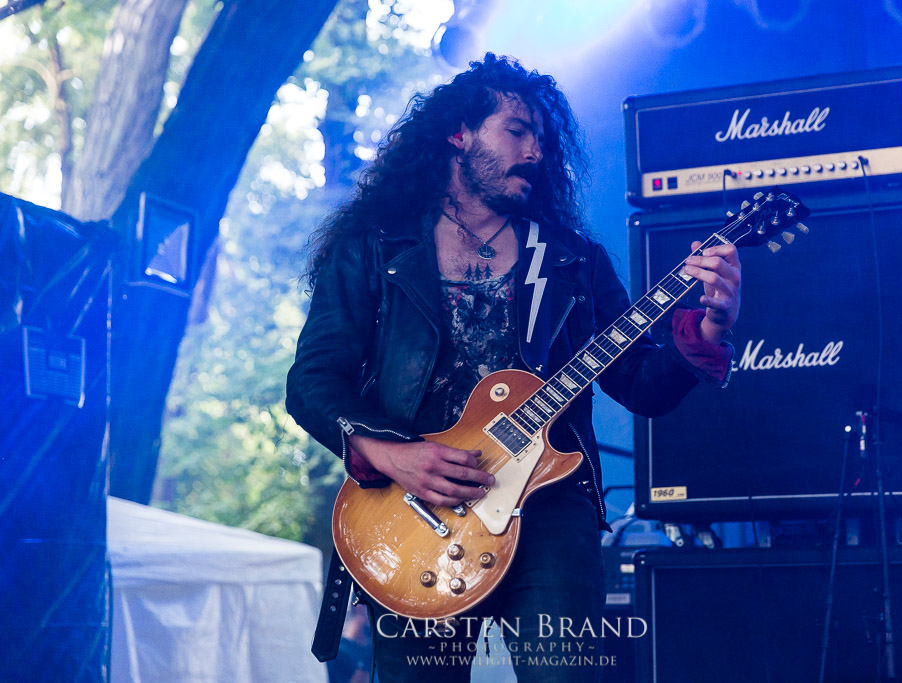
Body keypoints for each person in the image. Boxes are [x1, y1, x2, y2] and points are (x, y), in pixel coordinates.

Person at [286, 53, 740, 682]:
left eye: (542, 140)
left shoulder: (572, 260)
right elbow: (312, 381)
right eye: (517, 131)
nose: (535, 152)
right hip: (415, 509)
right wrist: (393, 454)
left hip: (549, 509)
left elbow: (640, 384)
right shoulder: (376, 247)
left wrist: (712, 325)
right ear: (459, 134)